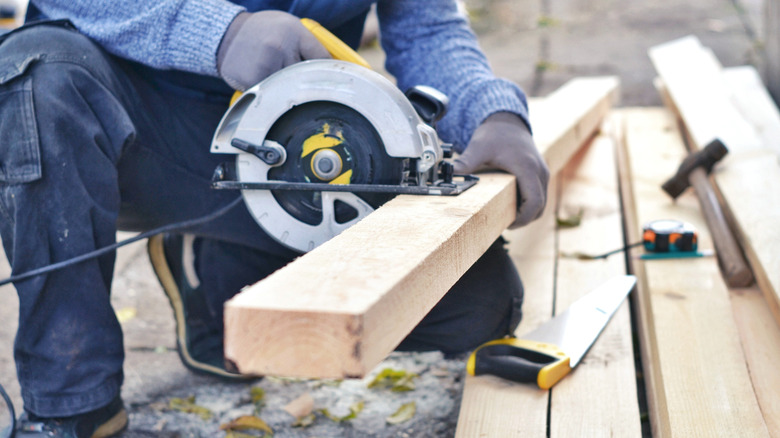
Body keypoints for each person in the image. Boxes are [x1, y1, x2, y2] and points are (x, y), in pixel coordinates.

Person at [0, 1, 549, 436]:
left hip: (294, 149)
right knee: (39, 76)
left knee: (480, 306)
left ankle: (215, 271)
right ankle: (74, 402)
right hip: (140, 125)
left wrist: (492, 112)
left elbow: (426, 28)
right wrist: (218, 33)